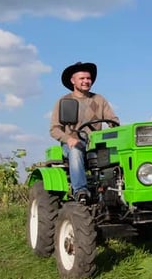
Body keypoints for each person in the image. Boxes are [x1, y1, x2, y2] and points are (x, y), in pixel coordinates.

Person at [50, 62, 120, 201]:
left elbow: (113, 120)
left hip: (96, 144)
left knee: (118, 154)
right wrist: (69, 139)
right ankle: (80, 191)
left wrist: (114, 126)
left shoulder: (99, 100)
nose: (86, 81)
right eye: (82, 78)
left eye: (88, 78)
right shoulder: (64, 101)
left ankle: (115, 190)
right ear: (73, 80)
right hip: (73, 144)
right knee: (76, 151)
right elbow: (54, 129)